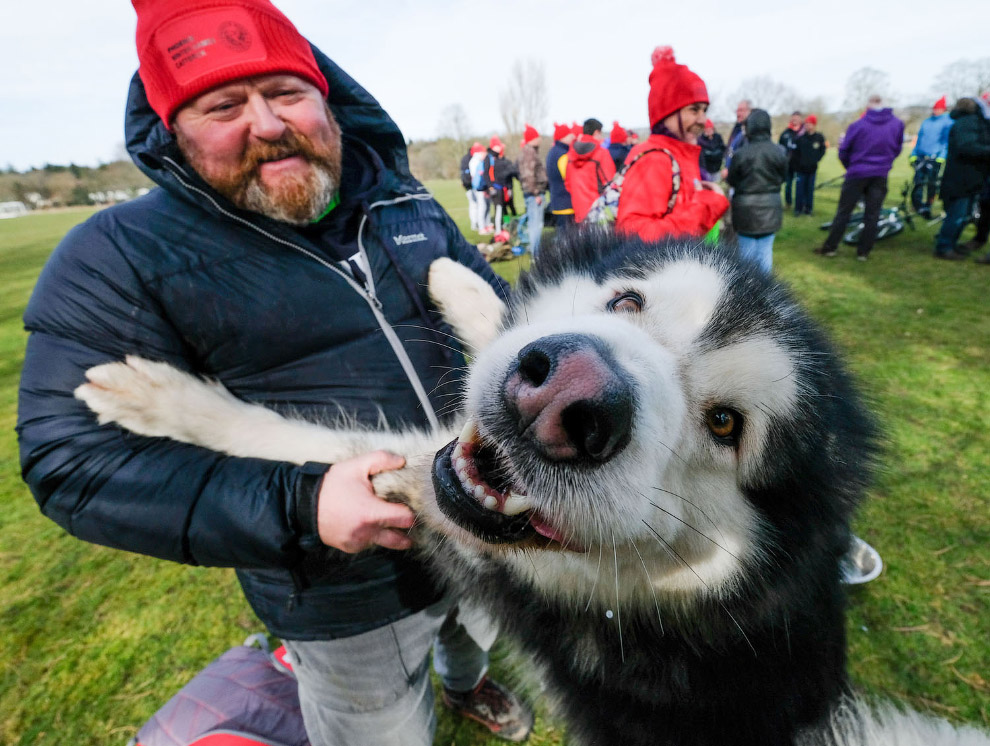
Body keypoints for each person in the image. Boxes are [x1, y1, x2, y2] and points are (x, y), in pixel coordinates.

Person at [15, 2, 534, 745]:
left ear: (325, 98)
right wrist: (302, 506)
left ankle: (467, 685)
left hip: (487, 527)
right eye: (224, 105)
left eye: (287, 94)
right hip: (347, 594)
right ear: (173, 129)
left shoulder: (401, 198)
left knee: (475, 633)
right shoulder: (117, 255)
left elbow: (508, 324)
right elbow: (70, 462)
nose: (266, 122)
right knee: (379, 726)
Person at [615, 46, 729, 241]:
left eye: (704, 110)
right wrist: (707, 205)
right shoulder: (655, 158)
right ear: (666, 114)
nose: (702, 120)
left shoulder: (682, 153)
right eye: (694, 110)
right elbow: (633, 236)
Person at [814, 95, 904, 261]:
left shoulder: (858, 125)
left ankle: (830, 247)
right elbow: (897, 149)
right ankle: (863, 251)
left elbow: (844, 150)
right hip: (879, 175)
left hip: (857, 173)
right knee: (872, 213)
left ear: (868, 107)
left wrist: (852, 167)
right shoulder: (896, 125)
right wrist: (884, 164)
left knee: (844, 211)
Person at [726, 109, 788, 272]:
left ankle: (749, 292)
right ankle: (763, 291)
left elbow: (732, 180)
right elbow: (783, 177)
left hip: (745, 210)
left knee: (746, 255)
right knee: (765, 253)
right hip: (770, 208)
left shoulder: (740, 154)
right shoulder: (779, 151)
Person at [933, 97, 990, 260]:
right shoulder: (968, 122)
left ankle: (950, 244)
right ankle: (944, 246)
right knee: (957, 214)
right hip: (963, 178)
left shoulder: (970, 122)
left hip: (969, 177)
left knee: (963, 214)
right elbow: (967, 147)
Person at [565, 118, 616, 224]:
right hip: (598, 211)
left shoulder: (570, 155)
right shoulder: (601, 153)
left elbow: (568, 184)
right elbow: (609, 183)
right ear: (596, 132)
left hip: (578, 211)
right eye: (600, 134)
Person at [909, 96, 953, 218]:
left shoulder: (948, 122)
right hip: (921, 156)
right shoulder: (927, 122)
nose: (936, 111)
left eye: (938, 109)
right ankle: (917, 204)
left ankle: (928, 203)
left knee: (931, 183)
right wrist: (914, 154)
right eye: (935, 108)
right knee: (918, 181)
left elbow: (946, 141)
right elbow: (919, 139)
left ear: (943, 109)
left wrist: (941, 156)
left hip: (935, 158)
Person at [517, 123, 549, 255]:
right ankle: (536, 254)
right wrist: (535, 193)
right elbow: (528, 176)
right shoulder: (530, 153)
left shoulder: (527, 152)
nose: (540, 139)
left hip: (531, 194)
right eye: (538, 136)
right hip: (534, 195)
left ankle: (534, 251)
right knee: (536, 224)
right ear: (533, 138)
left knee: (533, 223)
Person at [792, 114, 827, 215]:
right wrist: (797, 165)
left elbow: (822, 150)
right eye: (806, 124)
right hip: (801, 169)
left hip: (812, 169)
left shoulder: (819, 138)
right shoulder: (800, 139)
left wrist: (816, 159)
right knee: (799, 190)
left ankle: (808, 208)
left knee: (810, 190)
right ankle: (798, 209)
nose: (807, 126)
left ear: (814, 125)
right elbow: (795, 153)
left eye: (809, 124)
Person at [546, 121, 578, 230]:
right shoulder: (563, 155)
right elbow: (569, 177)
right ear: (564, 137)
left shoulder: (552, 152)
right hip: (566, 202)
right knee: (567, 237)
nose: (572, 137)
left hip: (557, 201)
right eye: (570, 135)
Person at [778, 111, 804, 208]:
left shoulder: (804, 133)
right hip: (788, 164)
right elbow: (780, 147)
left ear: (800, 119)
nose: (795, 120)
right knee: (788, 184)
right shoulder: (786, 133)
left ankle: (800, 203)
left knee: (800, 185)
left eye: (797, 118)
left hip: (800, 164)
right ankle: (788, 203)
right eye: (793, 118)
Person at [463, 141, 488, 232]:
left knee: (480, 206)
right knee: (480, 206)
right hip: (478, 188)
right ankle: (480, 227)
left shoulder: (475, 160)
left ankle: (481, 225)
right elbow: (477, 176)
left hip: (478, 187)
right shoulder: (475, 161)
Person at [722, 98, 752, 175]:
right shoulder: (737, 129)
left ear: (750, 111)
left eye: (741, 110)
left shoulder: (752, 131)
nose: (738, 114)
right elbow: (731, 149)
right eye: (737, 111)